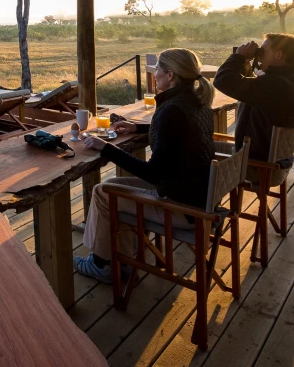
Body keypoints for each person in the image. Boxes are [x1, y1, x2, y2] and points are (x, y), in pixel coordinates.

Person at [74, 48, 215, 284]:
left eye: (157, 69)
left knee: (102, 193)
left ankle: (101, 264)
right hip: (198, 195)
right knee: (111, 185)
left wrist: (105, 148)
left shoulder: (172, 110)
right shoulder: (197, 102)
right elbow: (176, 133)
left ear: (170, 75)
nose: (154, 73)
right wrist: (137, 127)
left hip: (181, 207)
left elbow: (152, 173)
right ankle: (121, 261)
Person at [213, 33, 294, 186]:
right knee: (208, 147)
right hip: (277, 163)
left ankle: (206, 199)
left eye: (263, 51)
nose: (259, 55)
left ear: (278, 55)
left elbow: (223, 80)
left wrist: (238, 57)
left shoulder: (274, 85)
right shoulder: (286, 82)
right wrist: (246, 65)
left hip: (258, 168)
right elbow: (251, 91)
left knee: (197, 156)